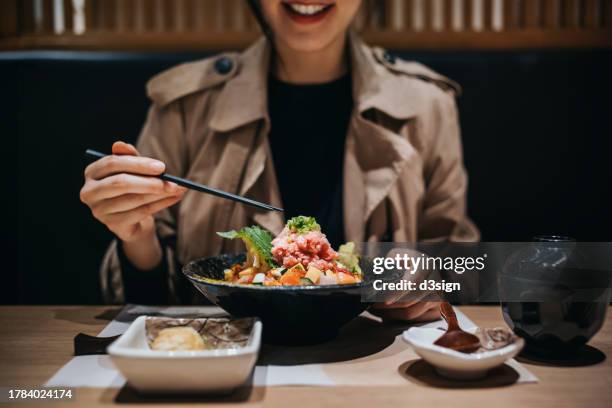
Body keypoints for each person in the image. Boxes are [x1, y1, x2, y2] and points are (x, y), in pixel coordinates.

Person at [80, 0, 478, 321]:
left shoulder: (427, 105)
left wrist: (431, 277)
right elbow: (151, 305)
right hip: (220, 367)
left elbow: (463, 266)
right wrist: (136, 235)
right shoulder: (184, 107)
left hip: (374, 372)